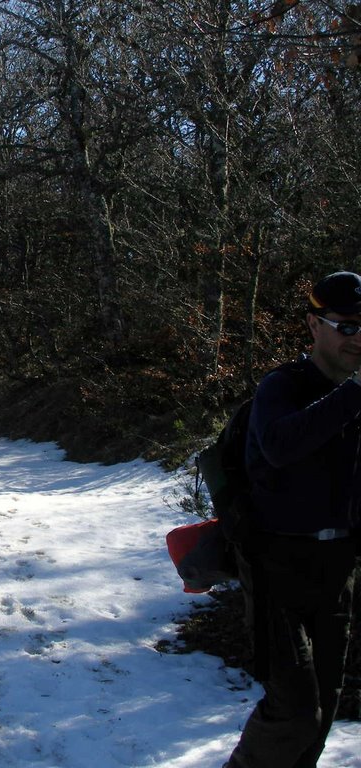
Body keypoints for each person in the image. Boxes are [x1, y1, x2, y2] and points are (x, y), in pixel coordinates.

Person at [223, 271, 361, 768]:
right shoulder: (282, 386)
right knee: (295, 711)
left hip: (336, 568)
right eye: (346, 326)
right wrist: (354, 394)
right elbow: (281, 447)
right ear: (314, 325)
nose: (358, 337)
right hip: (276, 566)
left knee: (319, 720)